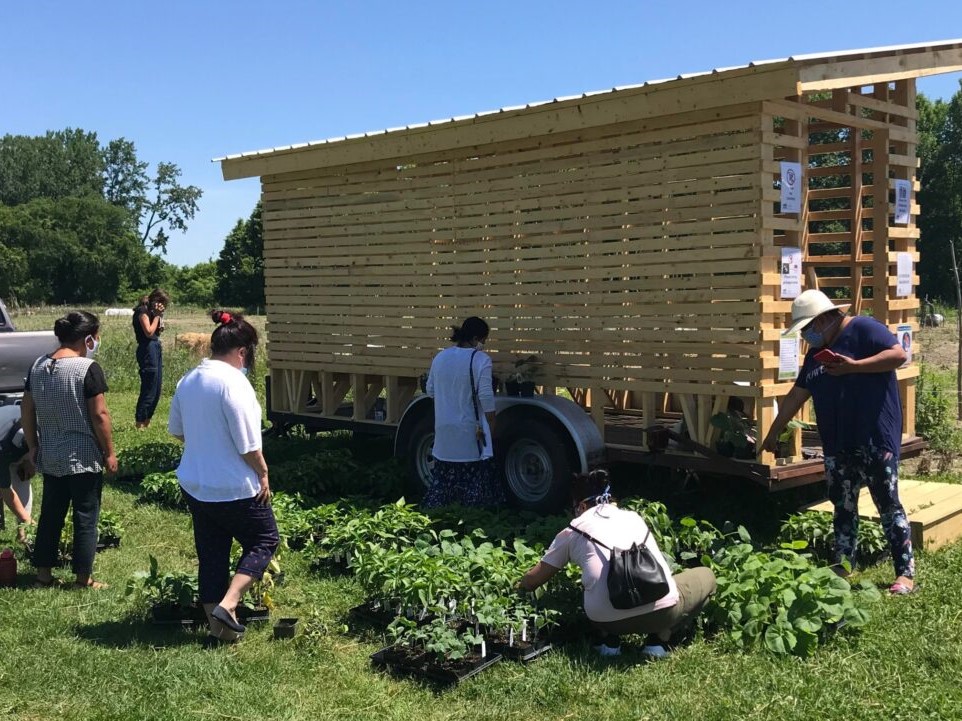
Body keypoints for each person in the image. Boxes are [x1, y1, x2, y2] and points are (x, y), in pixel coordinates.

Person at [761, 289, 915, 594]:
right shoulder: (816, 355)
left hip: (874, 437)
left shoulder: (864, 329)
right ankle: (844, 567)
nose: (806, 335)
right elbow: (797, 393)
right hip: (838, 441)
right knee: (843, 505)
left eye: (808, 327)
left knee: (887, 503)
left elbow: (898, 355)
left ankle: (904, 573)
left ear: (826, 319)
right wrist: (774, 431)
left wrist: (853, 367)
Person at [520, 471, 717, 658]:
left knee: (596, 583)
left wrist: (517, 586)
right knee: (707, 576)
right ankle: (658, 640)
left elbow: (532, 582)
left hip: (605, 619)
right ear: (611, 499)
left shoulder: (573, 530)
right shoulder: (634, 517)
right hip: (662, 612)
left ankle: (609, 641)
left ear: (580, 506)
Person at [168, 309, 278, 641]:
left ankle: (221, 633)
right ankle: (229, 604)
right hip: (233, 487)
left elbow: (178, 431)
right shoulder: (235, 384)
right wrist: (263, 472)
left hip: (195, 483)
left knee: (212, 553)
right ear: (242, 352)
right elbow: (247, 445)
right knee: (264, 540)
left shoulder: (188, 380)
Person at [21, 311, 116, 589]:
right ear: (87, 338)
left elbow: (27, 408)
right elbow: (99, 415)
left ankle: (43, 575)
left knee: (51, 513)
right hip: (83, 455)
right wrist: (109, 452)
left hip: (50, 453)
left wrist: (33, 446)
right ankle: (82, 578)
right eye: (96, 336)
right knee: (86, 515)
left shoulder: (37, 365)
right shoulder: (87, 368)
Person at [422, 316, 505, 508]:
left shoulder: (440, 357)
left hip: (443, 433)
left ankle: (442, 517)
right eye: (483, 340)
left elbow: (430, 390)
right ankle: (467, 521)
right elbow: (486, 397)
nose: (483, 344)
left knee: (443, 488)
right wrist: (492, 424)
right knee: (473, 490)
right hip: (468, 434)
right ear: (475, 337)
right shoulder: (480, 359)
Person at [133, 289, 170, 429]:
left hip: (155, 347)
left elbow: (156, 331)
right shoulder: (142, 311)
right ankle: (139, 422)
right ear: (155, 301)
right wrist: (157, 316)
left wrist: (159, 321)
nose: (162, 306)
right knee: (149, 386)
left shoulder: (153, 312)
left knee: (157, 386)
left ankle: (147, 421)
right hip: (147, 349)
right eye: (162, 303)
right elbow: (148, 332)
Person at [0, 404, 34, 542]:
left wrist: (30, 463)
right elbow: (6, 490)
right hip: (3, 445)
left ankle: (23, 534)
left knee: (23, 478)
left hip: (17, 442)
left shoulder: (39, 430)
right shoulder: (3, 449)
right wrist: (27, 519)